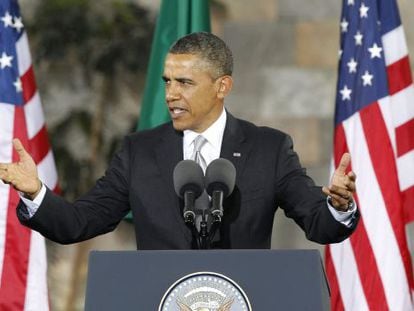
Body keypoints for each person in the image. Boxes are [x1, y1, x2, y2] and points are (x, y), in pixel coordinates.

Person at [0, 32, 359, 249]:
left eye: (184, 83)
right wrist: (35, 193)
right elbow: (79, 222)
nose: (170, 94)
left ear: (222, 87)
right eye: (167, 81)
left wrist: (339, 206)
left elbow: (319, 224)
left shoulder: (269, 149)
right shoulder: (138, 152)